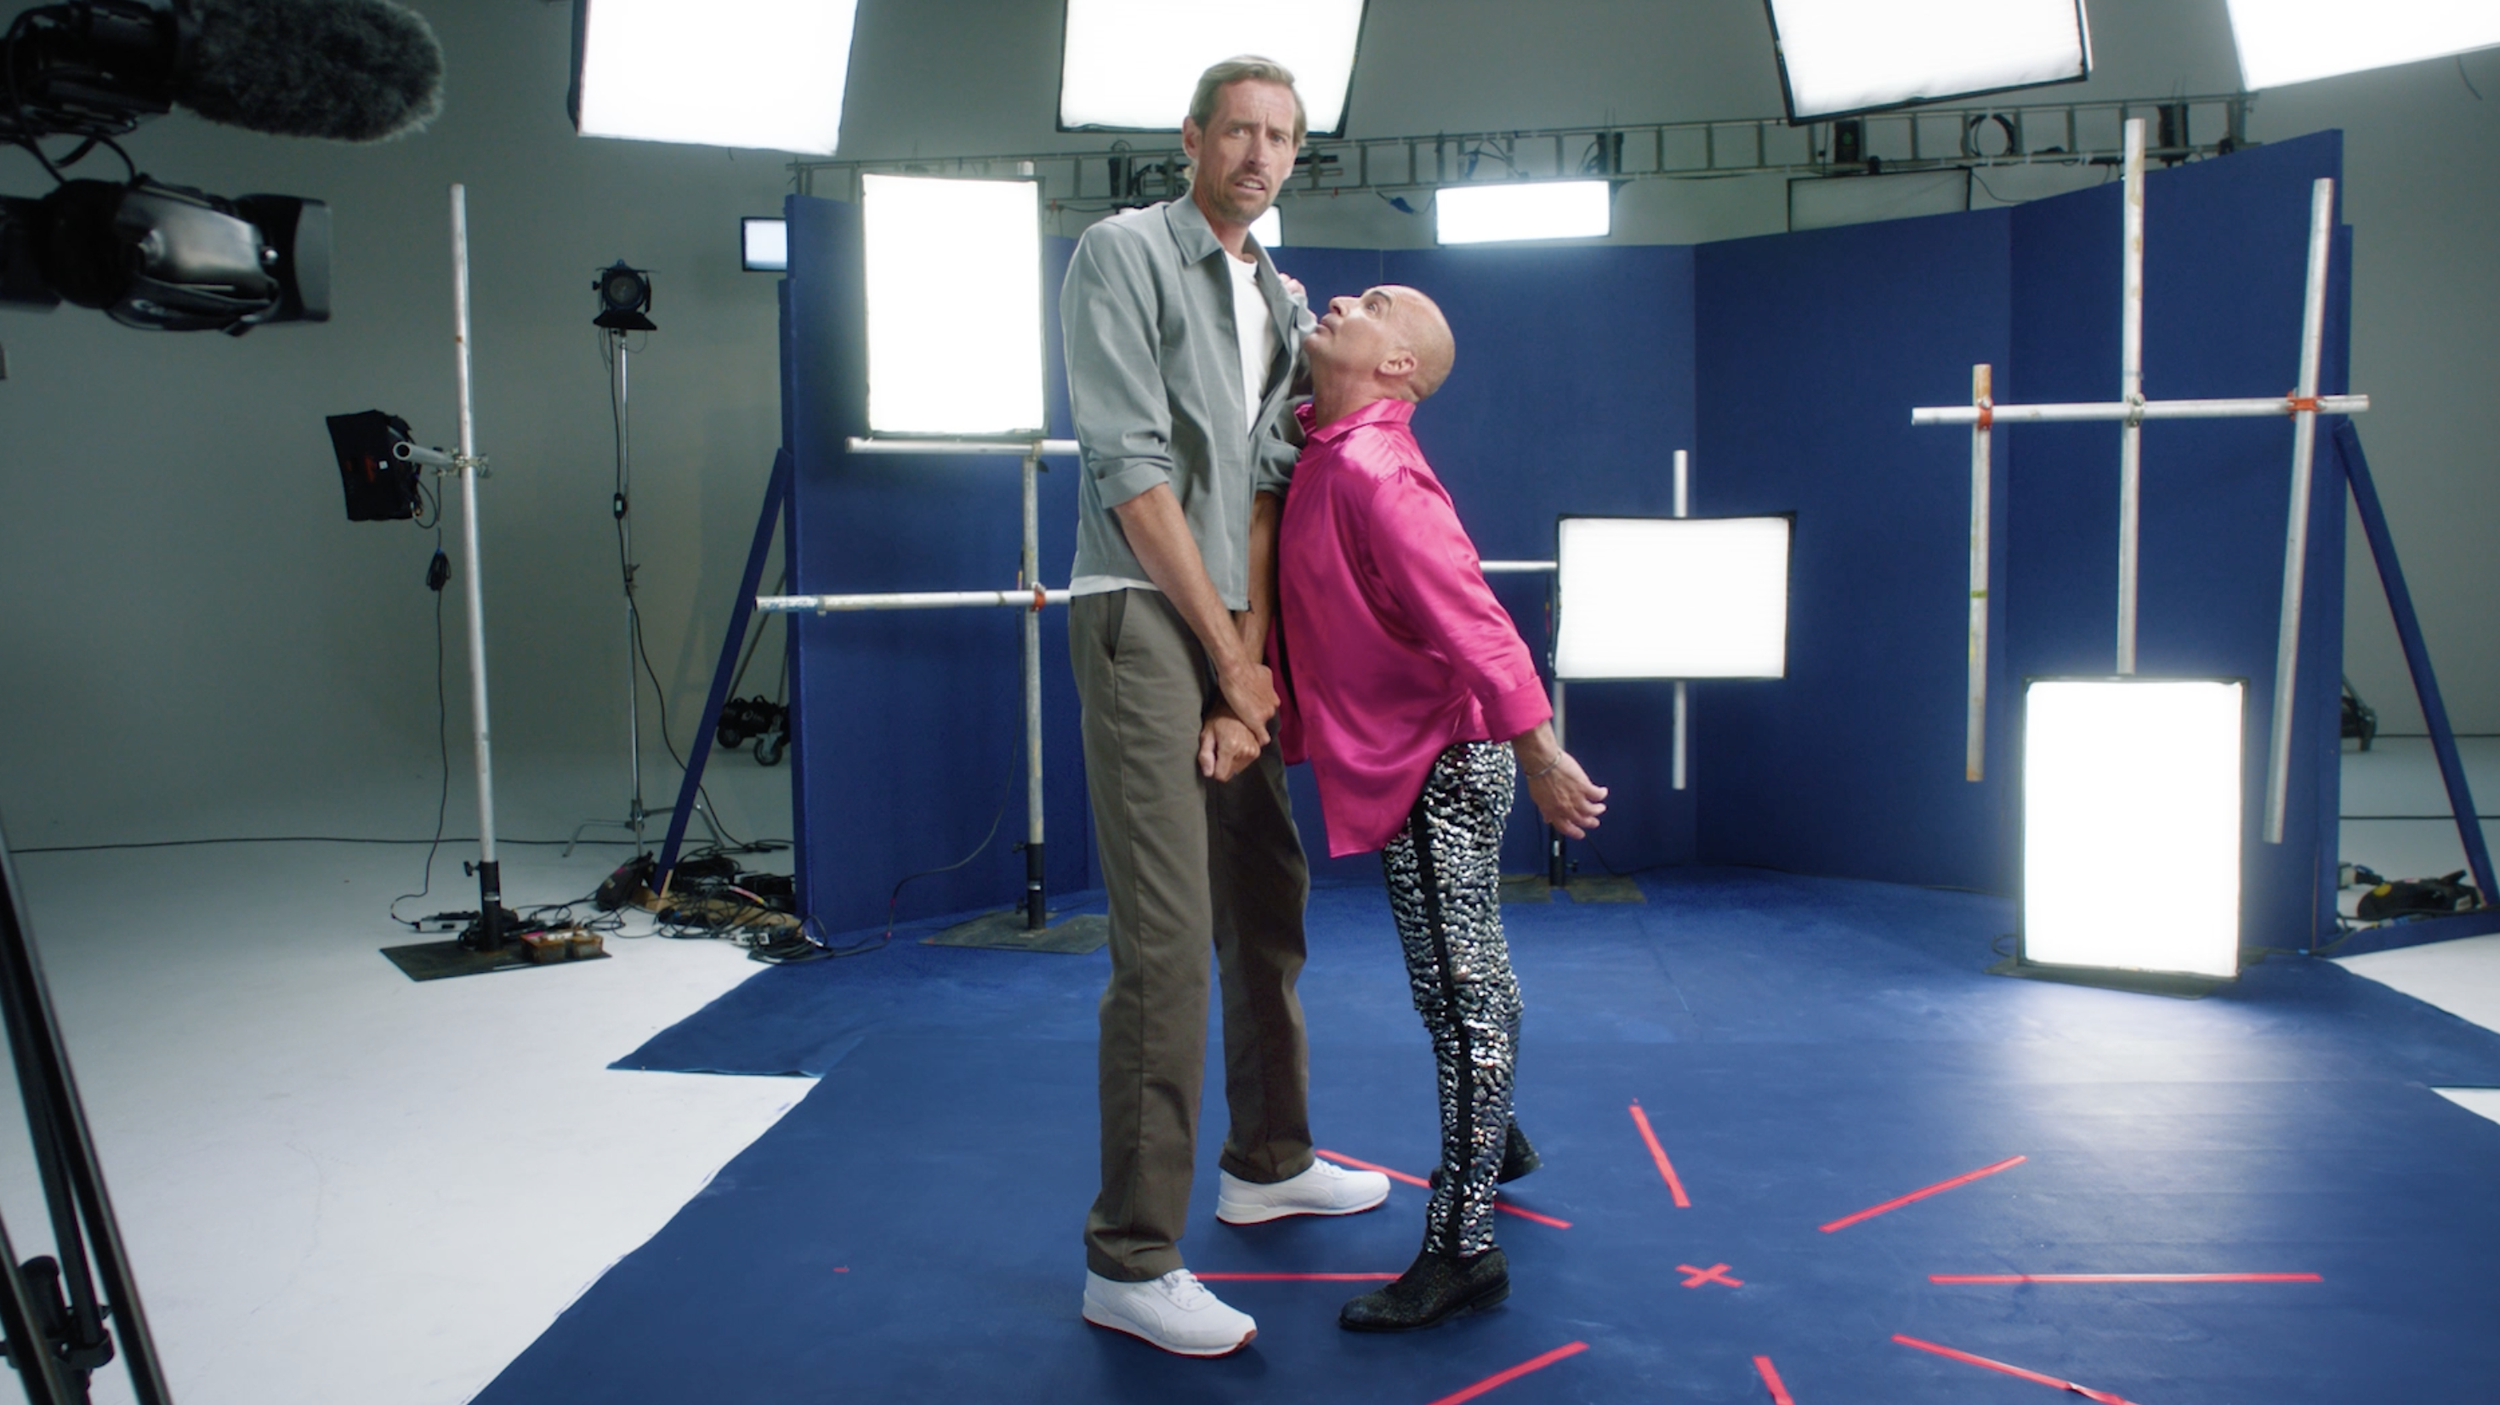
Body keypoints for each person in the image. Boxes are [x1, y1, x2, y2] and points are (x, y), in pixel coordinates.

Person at [1059, 56, 1391, 1358]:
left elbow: (1263, 489)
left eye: (1280, 136)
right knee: (1164, 939)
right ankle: (1130, 1259)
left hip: (1228, 633)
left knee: (1266, 896)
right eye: (1238, 130)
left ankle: (1268, 1160)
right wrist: (1220, 655)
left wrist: (1247, 677)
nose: (1258, 153)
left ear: (1296, 156)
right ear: (1192, 138)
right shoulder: (1122, 254)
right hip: (1139, 612)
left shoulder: (1283, 298)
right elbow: (1133, 472)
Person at [1222, 283, 1607, 1331]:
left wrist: (1540, 751)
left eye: (1375, 303)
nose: (1347, 298)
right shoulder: (1329, 445)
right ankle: (1498, 1138)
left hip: (1445, 762)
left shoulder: (1377, 471)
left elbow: (1473, 616)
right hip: (1421, 753)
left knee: (1464, 996)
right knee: (1456, 982)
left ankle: (1463, 1246)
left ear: (1398, 366)